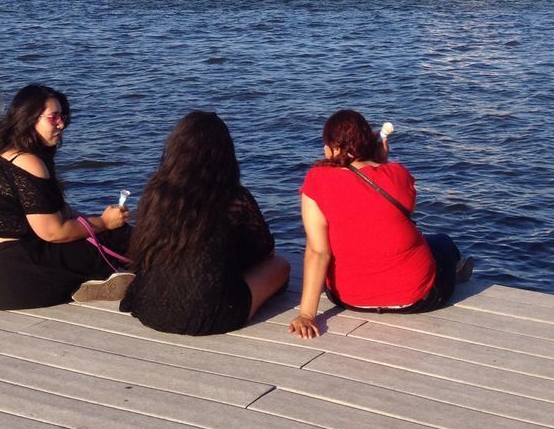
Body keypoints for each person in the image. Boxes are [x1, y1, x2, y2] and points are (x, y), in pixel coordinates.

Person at [289, 109, 472, 338]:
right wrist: (382, 163)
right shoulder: (397, 173)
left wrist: (306, 314)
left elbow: (318, 251)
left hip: (348, 298)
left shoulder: (316, 180)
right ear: (370, 143)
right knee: (442, 242)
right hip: (417, 298)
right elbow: (404, 211)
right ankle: (454, 272)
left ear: (331, 148)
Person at [0, 84, 133, 310]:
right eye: (54, 117)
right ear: (30, 119)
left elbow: (54, 214)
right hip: (13, 280)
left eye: (63, 117)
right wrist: (104, 222)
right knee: (118, 236)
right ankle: (144, 277)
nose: (61, 123)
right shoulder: (29, 162)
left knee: (98, 235)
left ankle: (93, 280)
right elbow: (52, 232)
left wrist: (95, 223)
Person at [120, 111, 290, 335]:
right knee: (281, 266)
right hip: (210, 314)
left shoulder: (157, 193)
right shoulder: (233, 197)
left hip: (152, 306)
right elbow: (264, 251)